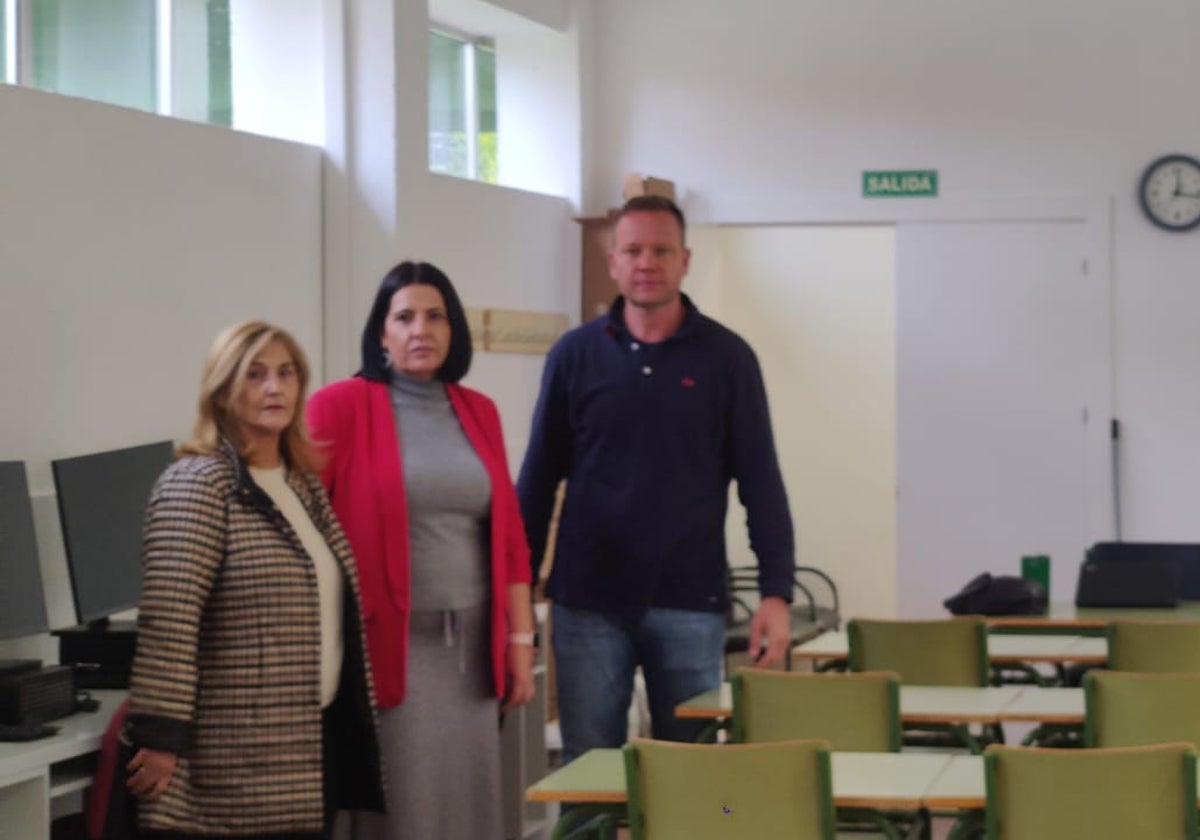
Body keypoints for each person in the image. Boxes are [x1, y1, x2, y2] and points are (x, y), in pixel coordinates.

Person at [517, 195, 795, 760]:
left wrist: (777, 592)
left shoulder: (728, 358)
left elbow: (761, 481)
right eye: (633, 250)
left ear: (685, 260)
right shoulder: (573, 356)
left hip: (690, 602)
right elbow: (539, 477)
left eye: (661, 250)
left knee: (692, 780)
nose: (647, 262)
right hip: (588, 603)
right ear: (614, 261)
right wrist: (518, 589)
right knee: (588, 777)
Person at [125, 320, 383, 839]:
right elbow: (169, 619)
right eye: (256, 375)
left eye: (287, 374)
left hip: (308, 748)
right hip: (231, 767)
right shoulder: (198, 484)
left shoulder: (300, 484)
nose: (275, 388)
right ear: (222, 390)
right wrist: (159, 736)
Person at [306, 260, 536, 840]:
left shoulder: (478, 410)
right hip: (391, 649)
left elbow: (508, 539)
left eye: (435, 316)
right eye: (403, 316)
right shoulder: (341, 407)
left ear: (452, 329)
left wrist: (520, 639)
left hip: (472, 654)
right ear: (381, 333)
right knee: (405, 812)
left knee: (471, 804)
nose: (420, 330)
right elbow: (303, 532)